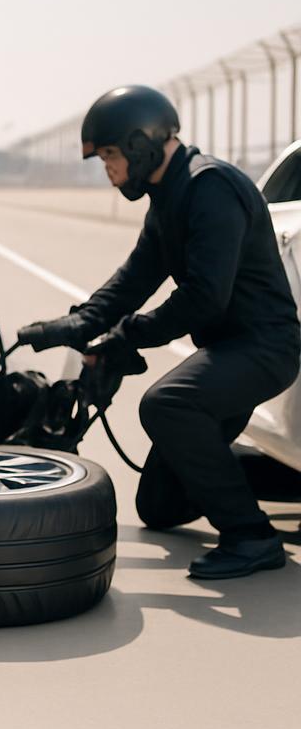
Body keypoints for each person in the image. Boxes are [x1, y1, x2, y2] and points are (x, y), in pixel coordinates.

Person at [18, 85, 300, 580]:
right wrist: (77, 324)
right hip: (229, 353)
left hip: (263, 348)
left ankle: (252, 537)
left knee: (166, 403)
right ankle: (258, 476)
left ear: (139, 143)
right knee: (160, 507)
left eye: (109, 154)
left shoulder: (211, 188)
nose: (107, 168)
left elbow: (203, 297)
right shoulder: (168, 201)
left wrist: (125, 338)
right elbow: (133, 280)